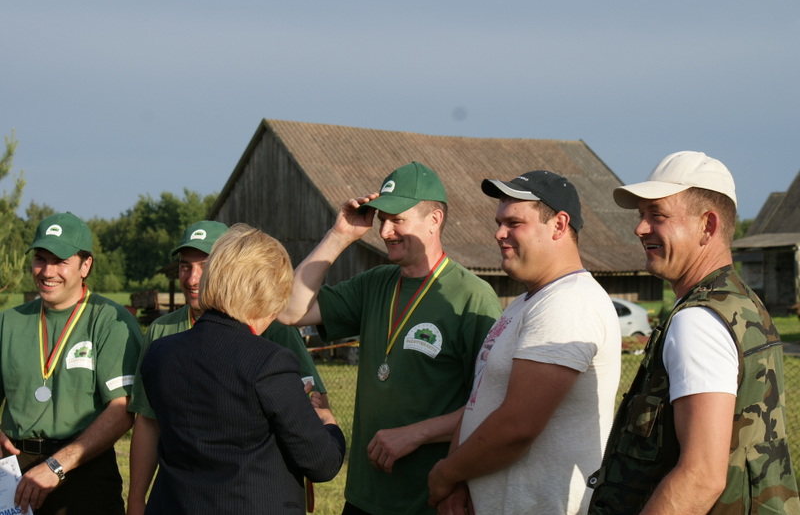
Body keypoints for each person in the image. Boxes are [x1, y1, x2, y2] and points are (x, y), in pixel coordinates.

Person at [279, 161, 502, 515]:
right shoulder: (374, 283)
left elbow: (491, 406)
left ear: (434, 220)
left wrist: (417, 433)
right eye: (381, 219)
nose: (384, 231)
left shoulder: (471, 297)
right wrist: (340, 235)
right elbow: (290, 311)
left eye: (397, 219)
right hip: (364, 497)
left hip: (430, 499)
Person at [588, 151, 800, 513]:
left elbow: (700, 477)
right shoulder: (741, 302)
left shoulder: (699, 321)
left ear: (707, 226)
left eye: (657, 215)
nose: (640, 228)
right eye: (641, 215)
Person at [426, 170, 621, 514]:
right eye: (499, 223)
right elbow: (479, 402)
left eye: (514, 223)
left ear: (559, 225)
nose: (499, 233)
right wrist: (459, 482)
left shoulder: (568, 302)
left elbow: (517, 426)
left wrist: (445, 474)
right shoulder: (527, 302)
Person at [139, 224, 345, 514]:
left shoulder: (160, 353)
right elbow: (321, 463)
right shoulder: (269, 362)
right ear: (266, 293)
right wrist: (328, 422)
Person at [0, 212, 142, 514]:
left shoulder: (110, 321)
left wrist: (56, 465)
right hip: (15, 471)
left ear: (85, 265)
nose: (47, 271)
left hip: (84, 467)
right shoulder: (8, 322)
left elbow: (122, 409)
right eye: (40, 259)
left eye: (60, 261)